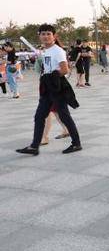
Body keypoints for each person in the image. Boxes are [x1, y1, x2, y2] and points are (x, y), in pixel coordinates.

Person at [16, 24, 82, 156]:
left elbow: (65, 70)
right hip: (47, 87)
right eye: (43, 34)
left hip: (57, 87)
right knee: (39, 116)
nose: (45, 36)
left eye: (48, 34)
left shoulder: (58, 51)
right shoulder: (46, 51)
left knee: (64, 116)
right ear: (39, 36)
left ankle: (76, 143)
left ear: (54, 36)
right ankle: (34, 146)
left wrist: (50, 76)